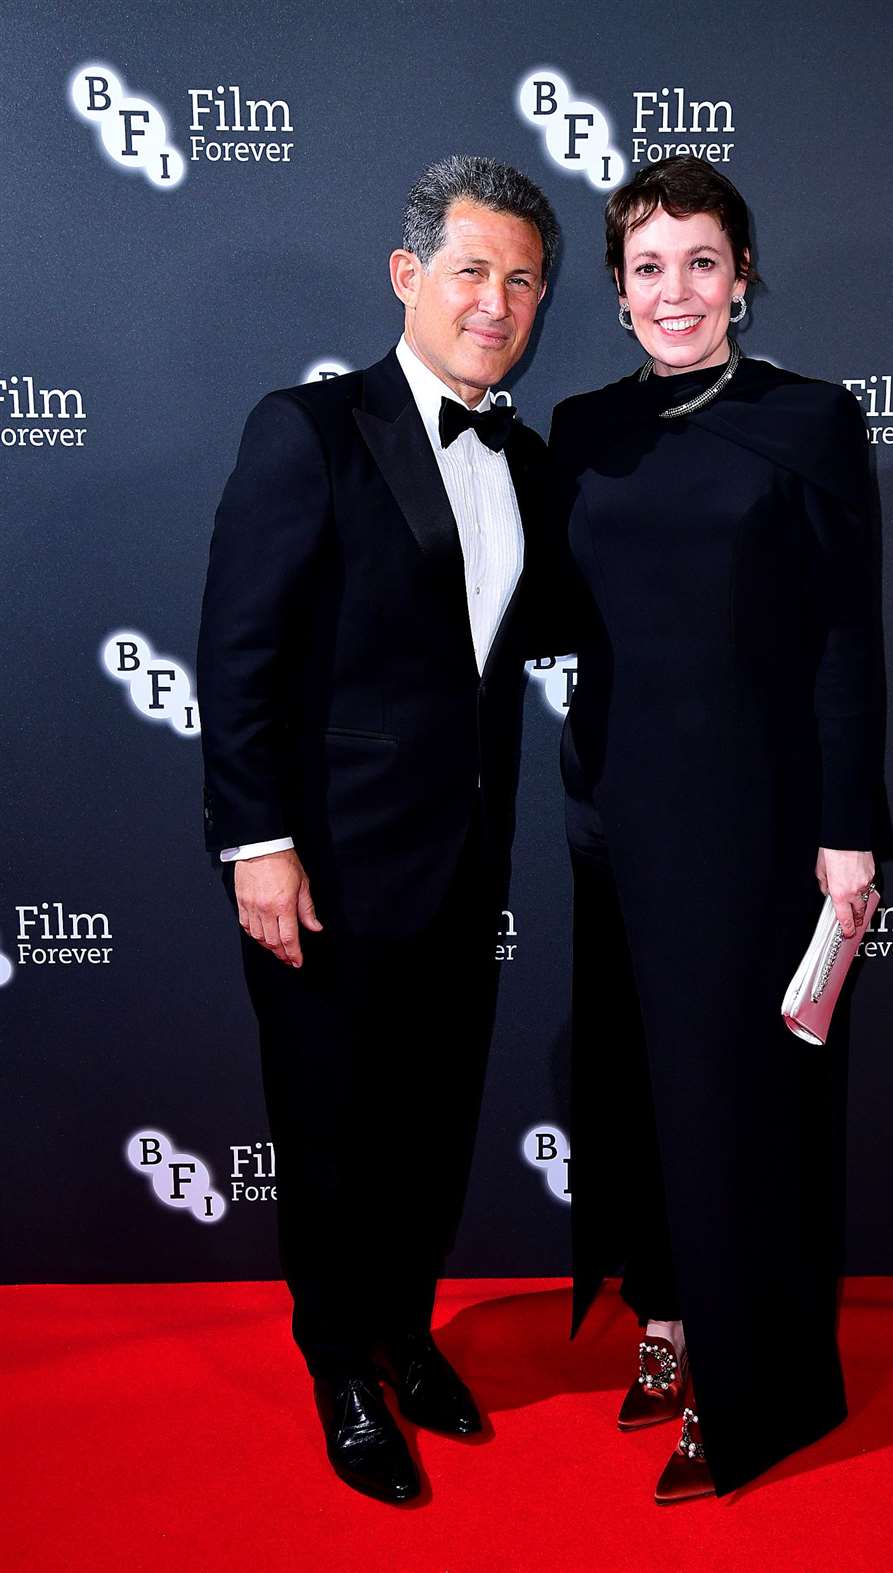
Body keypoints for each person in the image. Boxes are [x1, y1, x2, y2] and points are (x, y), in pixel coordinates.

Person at [196, 155, 560, 1505]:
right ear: (408, 276)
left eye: (523, 279)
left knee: (430, 1121)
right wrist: (257, 842)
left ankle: (404, 1332)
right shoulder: (311, 430)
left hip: (466, 863)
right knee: (334, 1127)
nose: (498, 300)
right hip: (328, 865)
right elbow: (237, 653)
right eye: (473, 269)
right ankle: (337, 1362)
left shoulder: (522, 454)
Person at [548, 155, 890, 1503]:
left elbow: (848, 638)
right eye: (648, 266)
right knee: (637, 1085)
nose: (675, 290)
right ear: (619, 291)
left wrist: (849, 829)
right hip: (613, 814)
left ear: (743, 274)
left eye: (703, 260)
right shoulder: (581, 429)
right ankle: (670, 1327)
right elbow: (533, 604)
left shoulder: (809, 422)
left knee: (741, 1103)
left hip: (757, 828)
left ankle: (753, 1385)